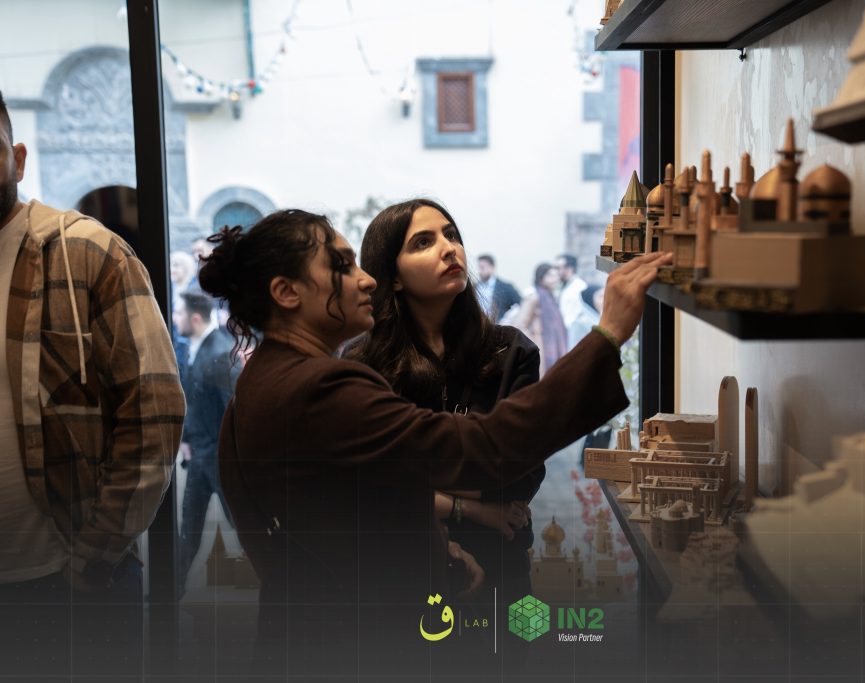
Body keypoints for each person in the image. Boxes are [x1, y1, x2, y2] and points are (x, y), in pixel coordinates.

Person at [198, 208, 667, 677]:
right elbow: (484, 448)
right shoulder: (323, 387)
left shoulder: (264, 377)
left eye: (451, 235)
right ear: (287, 292)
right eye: (342, 265)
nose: (366, 281)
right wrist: (608, 335)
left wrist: (438, 551)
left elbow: (357, 501)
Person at [0, 89, 184, 676]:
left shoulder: (85, 252)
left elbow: (154, 411)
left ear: (18, 160)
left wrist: (95, 555)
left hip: (71, 583)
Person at [347, 198, 542, 613]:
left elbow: (521, 475)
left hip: (501, 561)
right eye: (423, 242)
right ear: (393, 278)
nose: (449, 248)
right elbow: (366, 482)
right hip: (402, 568)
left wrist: (416, 479)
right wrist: (473, 506)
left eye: (451, 235)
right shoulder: (362, 362)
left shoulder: (512, 352)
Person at [173, 290, 237, 596]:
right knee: (190, 530)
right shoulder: (198, 347)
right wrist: (187, 438)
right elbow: (195, 400)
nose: (175, 319)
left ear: (195, 318)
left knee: (245, 527)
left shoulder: (220, 354)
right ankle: (172, 592)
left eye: (179, 313)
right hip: (202, 455)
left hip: (218, 460)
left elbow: (231, 410)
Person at [515, 262, 568, 374]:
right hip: (540, 347)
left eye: (556, 276)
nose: (555, 279)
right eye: (551, 276)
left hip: (553, 346)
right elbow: (520, 325)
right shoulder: (534, 297)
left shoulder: (552, 298)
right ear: (540, 277)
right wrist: (533, 344)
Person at [475, 253, 520, 321]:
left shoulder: (506, 287)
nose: (479, 271)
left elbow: (520, 304)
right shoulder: (474, 287)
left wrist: (509, 318)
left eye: (482, 268)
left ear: (492, 268)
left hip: (499, 324)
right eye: (478, 268)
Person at [555, 252, 588, 337]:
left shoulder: (580, 286)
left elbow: (582, 313)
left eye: (559, 268)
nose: (557, 271)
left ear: (570, 268)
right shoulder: (561, 286)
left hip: (573, 333)